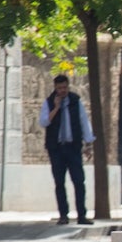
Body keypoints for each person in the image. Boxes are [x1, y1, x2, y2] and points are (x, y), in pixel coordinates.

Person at [39, 74, 96, 226]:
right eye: (59, 88)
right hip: (56, 149)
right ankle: (63, 215)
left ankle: (82, 215)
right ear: (55, 88)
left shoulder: (75, 101)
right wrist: (56, 108)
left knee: (79, 181)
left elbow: (84, 122)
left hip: (73, 147)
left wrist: (88, 144)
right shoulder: (49, 102)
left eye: (64, 87)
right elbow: (43, 122)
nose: (62, 91)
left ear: (68, 86)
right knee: (59, 182)